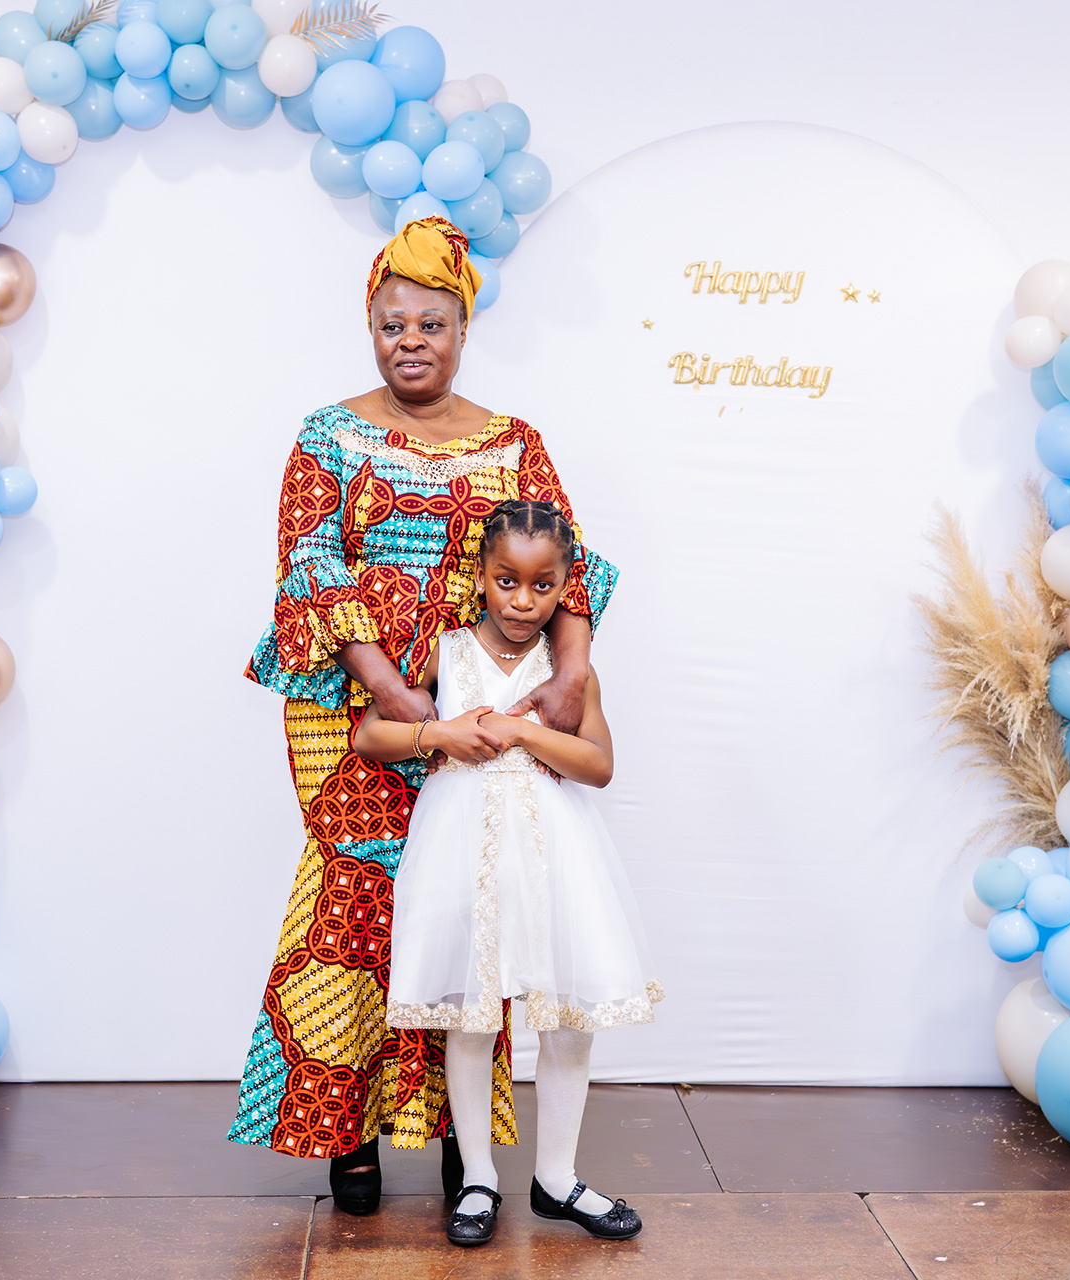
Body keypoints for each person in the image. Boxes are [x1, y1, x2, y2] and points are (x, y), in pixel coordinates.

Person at [228, 218, 619, 1219]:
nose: (411, 341)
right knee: (359, 904)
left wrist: (571, 675)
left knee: (473, 903)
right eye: (392, 324)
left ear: (463, 330)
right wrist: (391, 688)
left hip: (484, 689)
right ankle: (348, 1131)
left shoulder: (515, 442)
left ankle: (462, 1143)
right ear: (370, 329)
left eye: (431, 324)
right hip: (352, 706)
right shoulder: (329, 434)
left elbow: (570, 564)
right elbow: (308, 567)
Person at [356, 499, 660, 1247]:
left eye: (542, 586)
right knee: (471, 1017)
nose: (523, 601)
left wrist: (520, 729)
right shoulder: (446, 652)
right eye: (507, 581)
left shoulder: (568, 673)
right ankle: (479, 1180)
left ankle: (557, 1179)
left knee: (567, 1019)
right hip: (462, 854)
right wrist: (441, 732)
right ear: (482, 576)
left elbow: (598, 765)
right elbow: (370, 734)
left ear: (564, 588)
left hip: (554, 859)